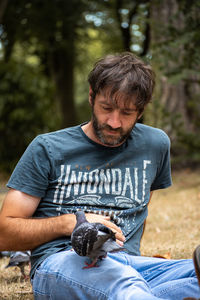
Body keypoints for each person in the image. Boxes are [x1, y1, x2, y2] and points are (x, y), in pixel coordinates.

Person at [0, 52, 199, 300]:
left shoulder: (155, 144)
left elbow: (139, 211)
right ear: (92, 97)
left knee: (190, 274)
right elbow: (4, 233)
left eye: (126, 113)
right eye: (106, 108)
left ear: (141, 110)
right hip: (64, 262)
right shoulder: (48, 148)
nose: (114, 122)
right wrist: (68, 223)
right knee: (122, 284)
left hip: (132, 266)